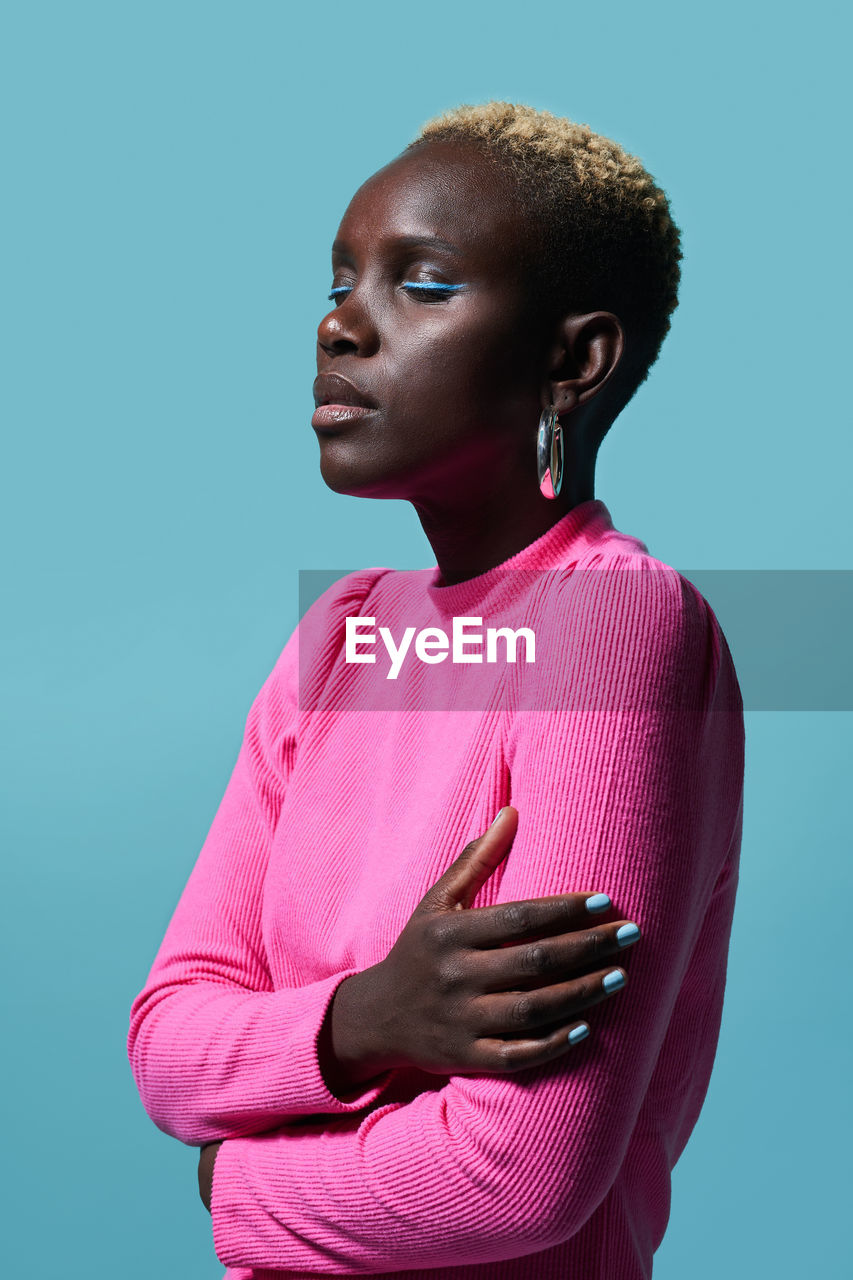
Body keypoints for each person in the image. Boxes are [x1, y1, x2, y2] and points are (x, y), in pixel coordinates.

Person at [127, 101, 745, 1279]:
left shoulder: (617, 624)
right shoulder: (343, 631)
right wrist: (365, 1018)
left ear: (573, 360)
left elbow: (517, 1175)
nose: (340, 324)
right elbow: (167, 1041)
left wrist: (231, 1181)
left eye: (422, 283)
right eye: (340, 277)